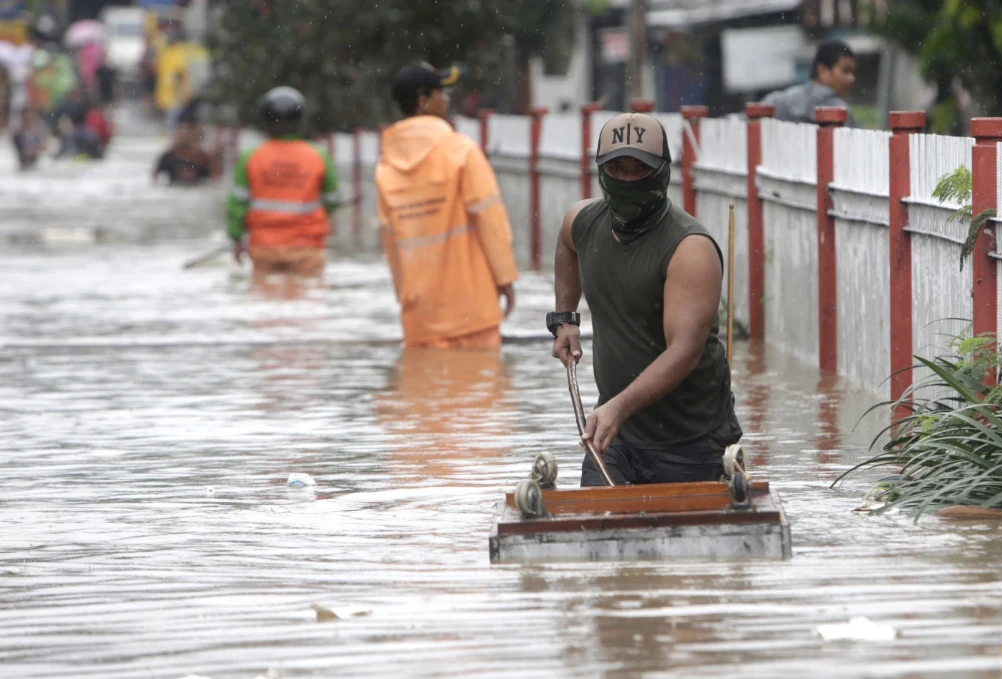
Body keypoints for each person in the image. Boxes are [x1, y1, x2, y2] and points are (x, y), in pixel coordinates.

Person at [551, 112, 742, 486]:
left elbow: (683, 352)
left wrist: (618, 407)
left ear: (663, 172)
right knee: (597, 531)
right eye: (615, 168)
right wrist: (565, 318)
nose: (625, 179)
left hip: (691, 440)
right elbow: (565, 243)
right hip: (616, 439)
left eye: (639, 168)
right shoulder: (583, 222)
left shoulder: (690, 250)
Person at [375, 62, 519, 349]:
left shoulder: (385, 167)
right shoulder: (461, 150)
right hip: (471, 311)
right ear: (423, 99)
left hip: (420, 318)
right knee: (479, 390)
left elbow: (392, 246)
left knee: (423, 390)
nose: (447, 98)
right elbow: (490, 219)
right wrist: (505, 279)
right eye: (441, 91)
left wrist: (408, 300)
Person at [226, 86, 341, 277]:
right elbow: (333, 199)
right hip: (307, 247)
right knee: (307, 300)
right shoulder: (318, 155)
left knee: (265, 301)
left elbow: (237, 205)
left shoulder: (250, 156)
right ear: (300, 121)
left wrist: (237, 238)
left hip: (263, 248)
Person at [761, 39, 858, 127]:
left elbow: (750, 119)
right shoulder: (838, 108)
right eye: (845, 71)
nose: (852, 78)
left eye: (852, 73)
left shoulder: (779, 101)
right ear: (822, 70)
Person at [153, 120, 213, 185]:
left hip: (195, 191)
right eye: (181, 131)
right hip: (174, 191)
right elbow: (155, 178)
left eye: (187, 132)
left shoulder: (203, 157)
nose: (183, 135)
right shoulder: (168, 156)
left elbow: (215, 179)